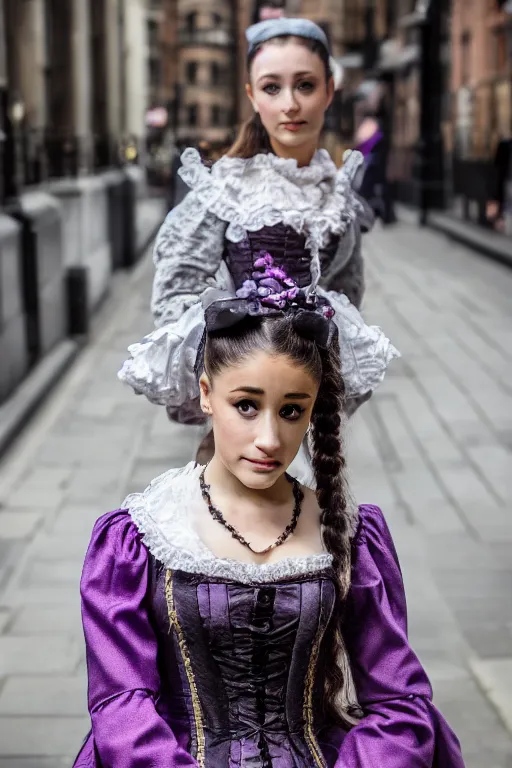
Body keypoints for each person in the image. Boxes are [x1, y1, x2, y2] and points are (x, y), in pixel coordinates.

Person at [74, 289, 465, 766]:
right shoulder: (139, 538)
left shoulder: (349, 533)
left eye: (291, 410)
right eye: (246, 405)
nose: (269, 439)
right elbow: (121, 706)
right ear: (205, 394)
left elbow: (398, 701)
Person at [118, 18, 398, 462]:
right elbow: (175, 286)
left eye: (305, 85)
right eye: (272, 88)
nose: (290, 103)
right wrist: (233, 356)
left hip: (308, 403)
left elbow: (347, 294)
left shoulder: (338, 194)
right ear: (252, 95)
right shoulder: (226, 187)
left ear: (329, 90)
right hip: (244, 407)